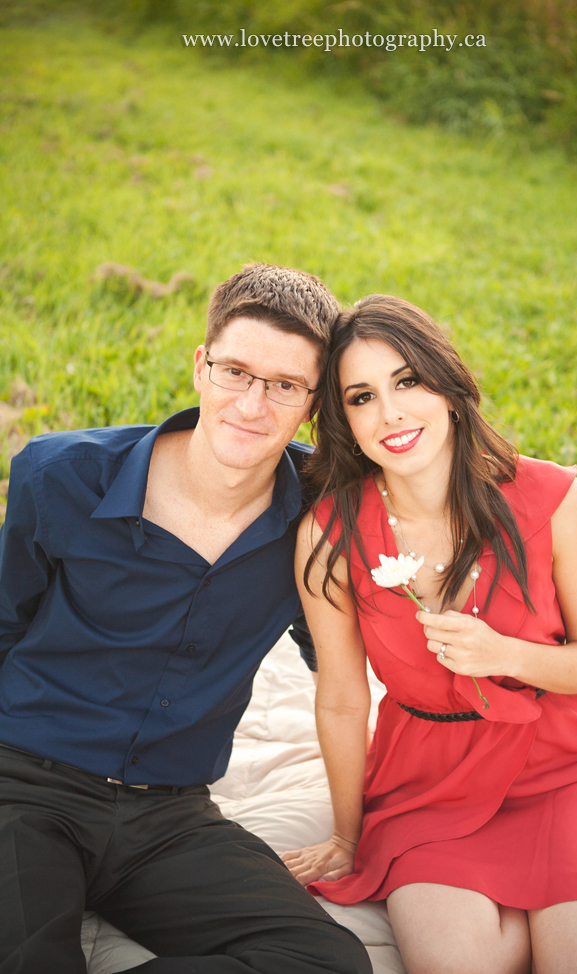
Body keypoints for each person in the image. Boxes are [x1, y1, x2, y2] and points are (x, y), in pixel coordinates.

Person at [0, 263, 371, 974]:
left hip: (169, 815)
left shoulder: (319, 520)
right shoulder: (62, 477)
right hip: (26, 785)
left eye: (285, 386)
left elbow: (343, 659)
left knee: (325, 962)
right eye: (236, 370)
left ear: (311, 403)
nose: (253, 405)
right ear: (200, 366)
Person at [282, 293, 577, 974]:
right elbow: (340, 698)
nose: (389, 412)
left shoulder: (548, 496)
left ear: (447, 389)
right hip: (426, 783)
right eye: (360, 397)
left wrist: (502, 654)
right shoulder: (328, 535)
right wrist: (343, 833)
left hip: (567, 765)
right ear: (343, 421)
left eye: (407, 381)